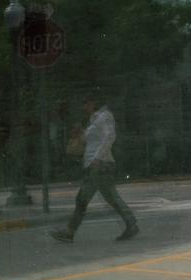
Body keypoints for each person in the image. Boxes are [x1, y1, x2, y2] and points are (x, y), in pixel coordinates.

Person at [49, 93, 139, 243]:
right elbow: (89, 141)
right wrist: (79, 134)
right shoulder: (94, 120)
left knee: (96, 199)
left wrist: (97, 158)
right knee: (96, 199)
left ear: (92, 103)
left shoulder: (104, 116)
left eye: (85, 103)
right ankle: (131, 224)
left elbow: (110, 136)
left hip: (100, 165)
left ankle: (69, 232)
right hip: (94, 166)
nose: (83, 107)